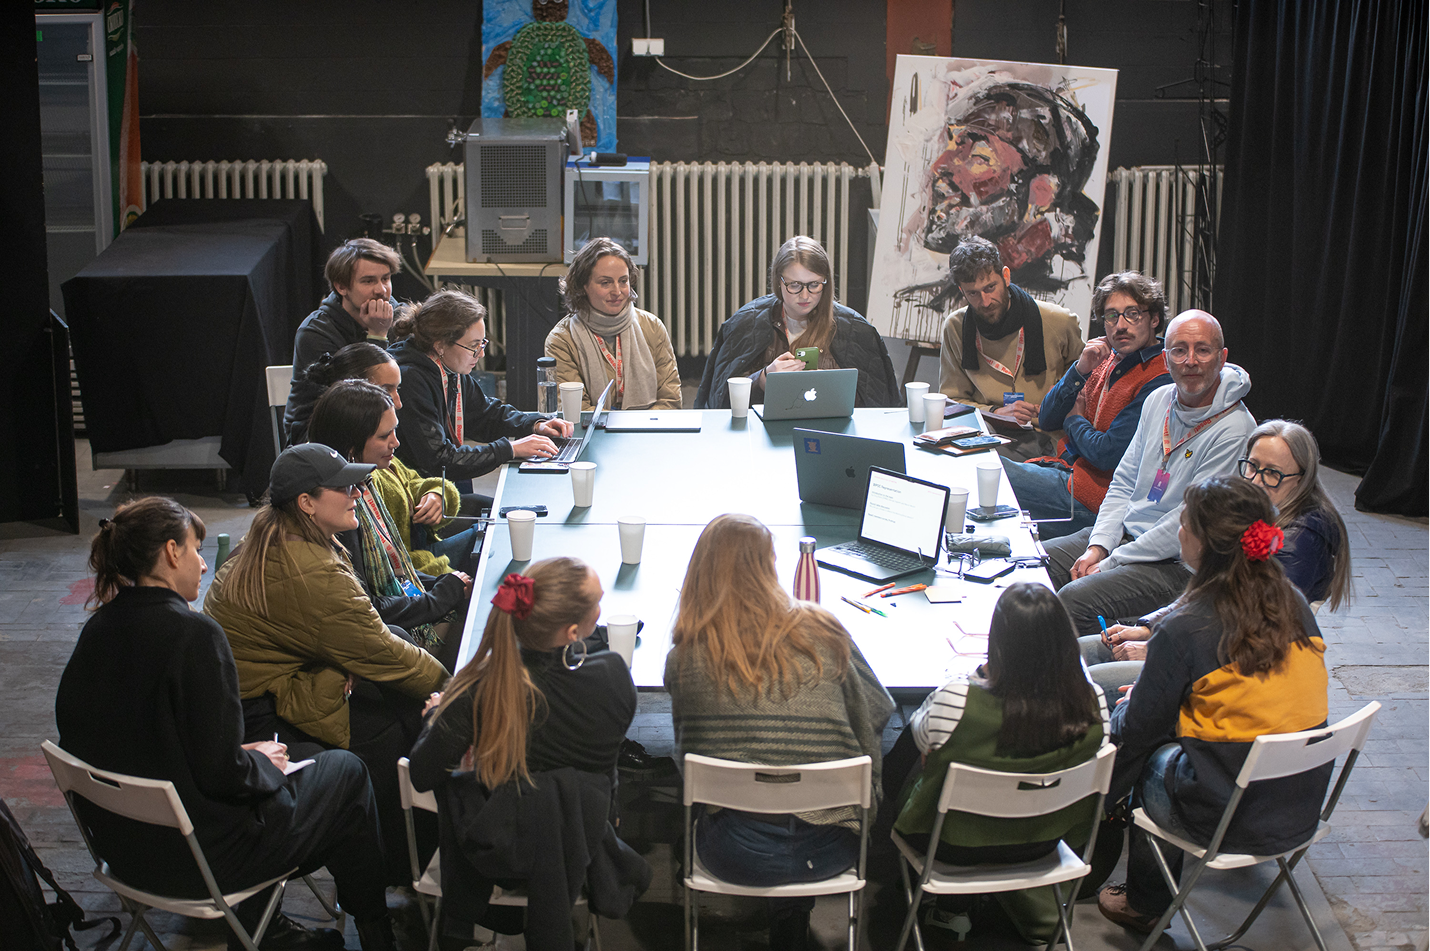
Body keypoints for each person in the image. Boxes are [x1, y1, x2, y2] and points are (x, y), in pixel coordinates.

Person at [56, 497, 398, 951]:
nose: (203, 564)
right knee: (347, 773)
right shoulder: (194, 636)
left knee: (304, 760)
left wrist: (243, 757)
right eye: (196, 550)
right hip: (204, 861)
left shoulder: (96, 631)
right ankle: (374, 929)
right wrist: (260, 764)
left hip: (124, 852)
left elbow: (100, 738)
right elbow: (224, 775)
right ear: (171, 552)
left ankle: (270, 929)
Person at [203, 443, 449, 884]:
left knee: (396, 658)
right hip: (263, 717)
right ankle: (401, 866)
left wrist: (337, 660)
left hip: (251, 698)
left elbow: (356, 637)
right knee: (397, 727)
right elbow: (385, 655)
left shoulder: (269, 535)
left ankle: (410, 857)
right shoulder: (311, 570)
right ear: (307, 503)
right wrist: (456, 693)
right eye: (343, 487)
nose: (357, 493)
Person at [1097, 477, 1332, 935]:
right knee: (1170, 720)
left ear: (1202, 543)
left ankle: (1144, 903)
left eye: (1184, 523)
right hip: (1300, 803)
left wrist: (1137, 701)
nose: (1178, 530)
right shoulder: (1294, 602)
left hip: (1230, 816)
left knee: (1147, 748)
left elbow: (1137, 730)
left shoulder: (1187, 626)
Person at [665, 514, 895, 950]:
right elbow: (879, 710)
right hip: (832, 851)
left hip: (734, 856)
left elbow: (689, 757)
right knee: (801, 795)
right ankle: (792, 914)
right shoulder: (823, 629)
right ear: (770, 566)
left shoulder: (685, 659)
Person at [407, 557, 641, 948]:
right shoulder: (614, 676)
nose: (601, 610)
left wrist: (435, 716)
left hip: (497, 856)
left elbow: (422, 773)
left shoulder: (482, 691)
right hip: (582, 846)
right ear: (572, 633)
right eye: (597, 604)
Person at [890, 583, 1108, 945]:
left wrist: (976, 676)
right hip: (1043, 841)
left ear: (998, 643)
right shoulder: (1094, 702)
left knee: (917, 754)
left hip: (948, 845)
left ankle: (929, 896)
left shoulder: (958, 699)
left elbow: (921, 738)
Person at [1081, 418, 1353, 694]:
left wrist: (1157, 649)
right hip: (1210, 650)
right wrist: (1149, 627)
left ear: (1301, 479)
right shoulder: (1258, 511)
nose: (1256, 481)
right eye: (1252, 466)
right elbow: (1213, 591)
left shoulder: (1303, 540)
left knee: (1087, 686)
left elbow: (1249, 629)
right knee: (1082, 653)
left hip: (1239, 676)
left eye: (1272, 473)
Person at [1043, 309, 1256, 638]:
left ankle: (1102, 664)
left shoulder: (1236, 428)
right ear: (1166, 359)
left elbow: (1188, 521)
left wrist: (1111, 562)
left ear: (1222, 357)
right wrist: (1099, 546)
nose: (1190, 361)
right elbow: (1124, 482)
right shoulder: (1158, 400)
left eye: (1202, 350)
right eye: (1179, 350)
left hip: (1180, 562)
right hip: (1127, 538)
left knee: (1074, 600)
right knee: (1033, 563)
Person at [308, 380, 472, 671]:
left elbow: (396, 573)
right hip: (382, 634)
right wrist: (441, 595)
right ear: (351, 447)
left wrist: (444, 584)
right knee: (481, 626)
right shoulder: (340, 511)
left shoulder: (368, 481)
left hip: (401, 601)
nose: (396, 442)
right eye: (385, 436)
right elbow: (371, 607)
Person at [1002, 271, 1171, 538]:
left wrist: (1074, 420)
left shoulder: (1160, 377)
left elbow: (1106, 454)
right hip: (1070, 471)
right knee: (983, 470)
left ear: (1155, 319)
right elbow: (1046, 418)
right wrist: (1079, 370)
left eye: (1133, 314)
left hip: (1100, 500)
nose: (1121, 325)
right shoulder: (1106, 357)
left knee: (987, 472)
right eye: (1112, 316)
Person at [287, 342, 477, 574]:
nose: (398, 402)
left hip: (417, 556)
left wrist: (436, 494)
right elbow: (389, 570)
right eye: (387, 390)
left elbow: (413, 482)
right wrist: (447, 584)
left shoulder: (376, 455)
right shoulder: (347, 483)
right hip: (413, 566)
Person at [389, 289, 574, 487]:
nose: (481, 354)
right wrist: (510, 449)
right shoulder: (410, 381)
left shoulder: (449, 368)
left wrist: (535, 424)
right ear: (440, 345)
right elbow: (439, 459)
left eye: (482, 343)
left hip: (444, 484)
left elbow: (486, 415)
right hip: (420, 491)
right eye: (473, 346)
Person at [696, 236, 899, 409]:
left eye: (814, 285)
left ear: (826, 282)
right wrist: (762, 380)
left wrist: (831, 386)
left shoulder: (855, 330)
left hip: (832, 431)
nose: (805, 295)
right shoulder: (746, 323)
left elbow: (877, 407)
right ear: (779, 281)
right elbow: (719, 402)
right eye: (794, 285)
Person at [936, 236, 1084, 459]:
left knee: (990, 462)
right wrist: (996, 412)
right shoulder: (956, 327)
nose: (985, 302)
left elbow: (1086, 385)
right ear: (961, 291)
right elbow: (952, 401)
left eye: (990, 288)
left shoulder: (1059, 322)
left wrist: (1054, 407)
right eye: (973, 293)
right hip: (988, 430)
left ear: (1006, 276)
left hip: (1045, 433)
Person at [285, 239, 403, 441]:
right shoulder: (316, 333)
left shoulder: (396, 313)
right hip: (321, 435)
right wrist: (377, 336)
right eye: (368, 281)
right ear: (341, 287)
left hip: (381, 429)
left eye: (385, 279)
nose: (381, 290)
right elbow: (359, 404)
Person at [545, 237, 682, 411]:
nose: (617, 291)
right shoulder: (561, 340)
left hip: (647, 425)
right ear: (583, 286)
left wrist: (639, 425)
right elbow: (576, 410)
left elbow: (670, 400)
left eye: (623, 281)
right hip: (593, 428)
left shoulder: (652, 327)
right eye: (605, 283)